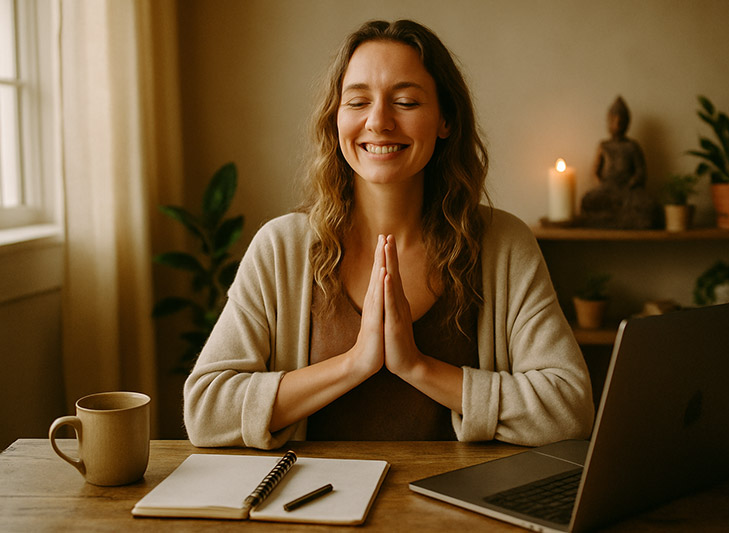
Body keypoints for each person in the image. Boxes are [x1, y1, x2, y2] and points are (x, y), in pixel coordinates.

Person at [183, 19, 594, 450]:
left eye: (405, 102)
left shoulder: (503, 245)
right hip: (312, 510)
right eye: (358, 101)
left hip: (461, 511)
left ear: (445, 120)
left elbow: (568, 408)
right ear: (336, 118)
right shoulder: (280, 248)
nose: (378, 122)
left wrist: (416, 367)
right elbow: (207, 412)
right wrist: (354, 364)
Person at [579, 96, 660, 229]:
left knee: (649, 206)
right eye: (614, 120)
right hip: (608, 188)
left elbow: (641, 172)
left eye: (621, 121)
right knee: (588, 201)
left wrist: (631, 183)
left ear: (627, 123)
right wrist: (601, 184)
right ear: (609, 121)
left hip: (628, 189)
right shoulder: (604, 146)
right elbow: (595, 171)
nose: (617, 123)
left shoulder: (632, 146)